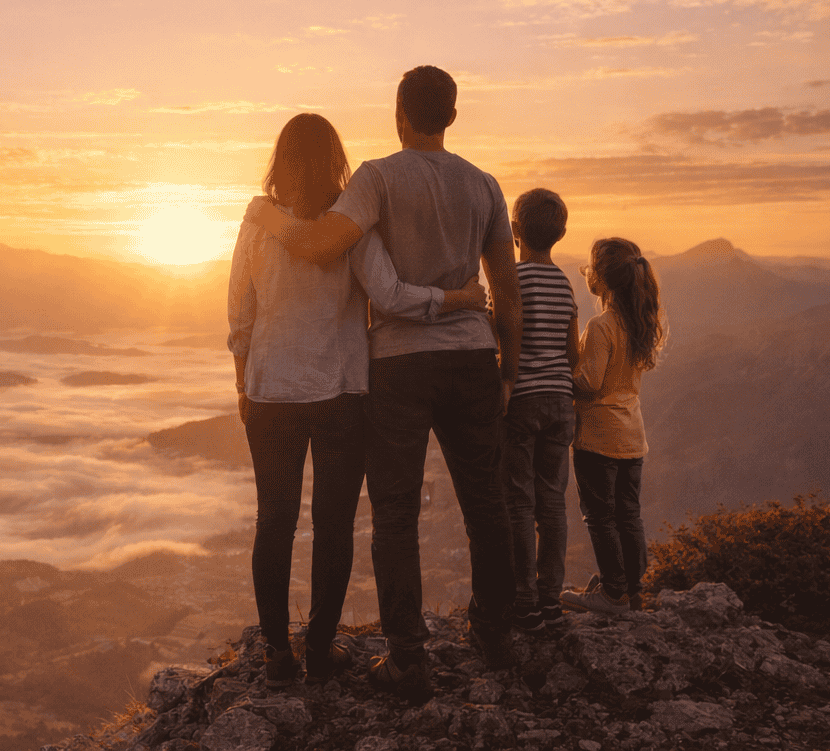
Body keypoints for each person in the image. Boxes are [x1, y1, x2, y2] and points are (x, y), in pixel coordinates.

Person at [245, 65, 522, 703]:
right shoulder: (484, 185)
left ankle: (406, 658)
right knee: (487, 503)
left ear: (399, 114)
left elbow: (319, 246)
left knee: (395, 514)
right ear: (451, 117)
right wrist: (506, 368)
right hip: (474, 357)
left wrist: (264, 215)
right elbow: (503, 291)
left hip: (399, 364)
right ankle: (497, 637)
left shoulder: (377, 179)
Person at [558, 237, 666, 615]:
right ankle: (633, 590)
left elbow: (589, 382)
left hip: (599, 437)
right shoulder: (640, 320)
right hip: (632, 435)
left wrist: (558, 367)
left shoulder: (601, 325)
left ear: (599, 279)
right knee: (628, 514)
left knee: (600, 517)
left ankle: (612, 593)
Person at [498, 188, 579, 632]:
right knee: (553, 503)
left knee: (518, 501)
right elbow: (572, 352)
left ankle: (524, 602)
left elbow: (499, 334)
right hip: (559, 402)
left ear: (513, 231)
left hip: (522, 400)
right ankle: (551, 601)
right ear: (561, 234)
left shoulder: (511, 279)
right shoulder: (565, 283)